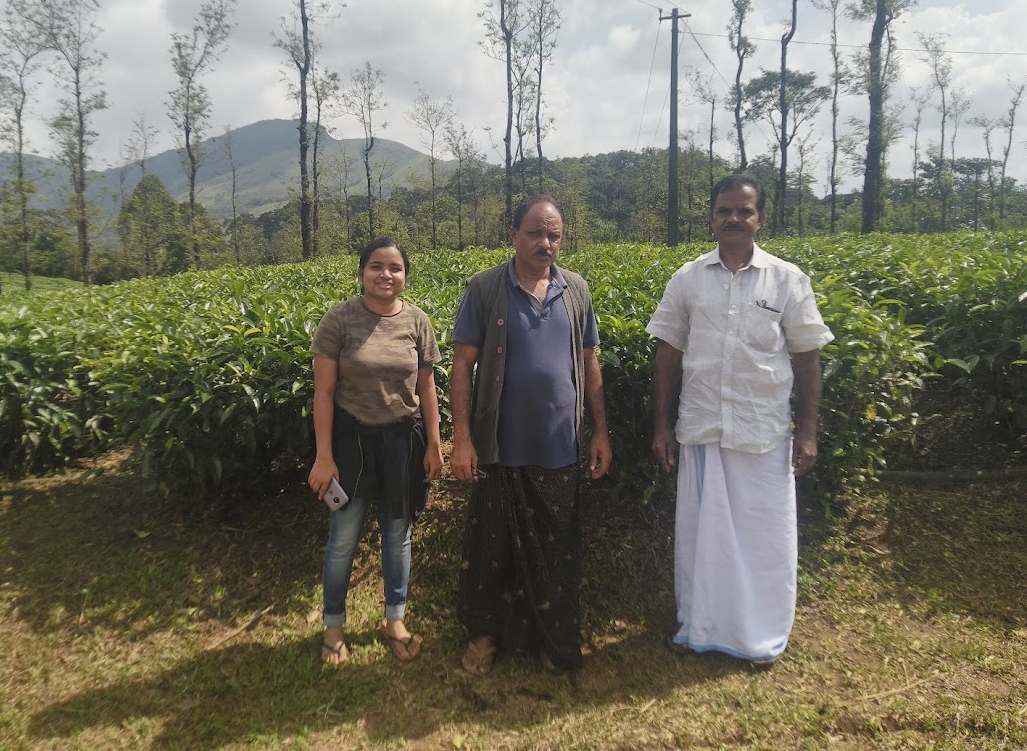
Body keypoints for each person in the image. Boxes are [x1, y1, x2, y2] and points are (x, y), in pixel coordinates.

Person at [646, 175, 833, 666]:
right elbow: (667, 353)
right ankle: (702, 625)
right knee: (703, 537)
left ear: (759, 218)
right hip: (703, 429)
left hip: (764, 433)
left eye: (743, 211)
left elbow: (807, 357)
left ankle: (760, 636)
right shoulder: (687, 279)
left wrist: (808, 431)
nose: (734, 219)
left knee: (763, 538)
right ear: (711, 217)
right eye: (724, 210)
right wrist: (661, 426)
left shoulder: (787, 279)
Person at [449, 195, 612, 674]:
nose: (546, 243)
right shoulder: (485, 288)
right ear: (513, 235)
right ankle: (485, 638)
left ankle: (550, 639)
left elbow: (590, 364)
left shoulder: (576, 290)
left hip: (559, 450)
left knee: (555, 553)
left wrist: (600, 431)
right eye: (536, 233)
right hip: (499, 450)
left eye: (554, 235)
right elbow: (462, 364)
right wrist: (462, 437)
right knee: (491, 552)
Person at [307, 237, 443, 665]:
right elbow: (324, 394)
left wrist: (436, 444)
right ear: (362, 272)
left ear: (405, 274)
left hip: (402, 442)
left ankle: (395, 619)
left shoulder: (418, 321)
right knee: (343, 539)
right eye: (376, 266)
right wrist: (323, 456)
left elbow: (426, 388)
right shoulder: (339, 320)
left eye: (396, 267)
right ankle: (333, 625)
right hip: (351, 445)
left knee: (397, 535)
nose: (386, 274)